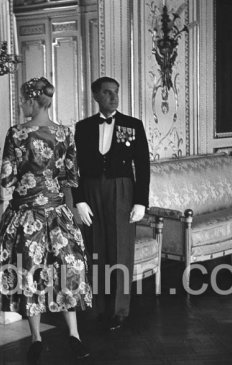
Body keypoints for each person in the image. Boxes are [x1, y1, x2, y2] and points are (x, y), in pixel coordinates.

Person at [0, 77, 92, 363]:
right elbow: (71, 177)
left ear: (33, 100)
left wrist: (27, 173)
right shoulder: (66, 133)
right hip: (58, 213)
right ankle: (73, 336)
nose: (21, 105)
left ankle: (36, 339)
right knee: (67, 271)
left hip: (25, 217)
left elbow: (7, 177)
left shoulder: (17, 133)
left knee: (29, 273)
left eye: (23, 100)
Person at [72, 76, 150, 331]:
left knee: (120, 249)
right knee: (95, 247)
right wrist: (79, 200)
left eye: (116, 92)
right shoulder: (82, 127)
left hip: (122, 190)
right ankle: (96, 308)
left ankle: (119, 311)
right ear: (96, 96)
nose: (114, 97)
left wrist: (141, 202)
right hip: (92, 189)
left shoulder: (133, 125)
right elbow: (76, 168)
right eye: (107, 93)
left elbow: (144, 166)